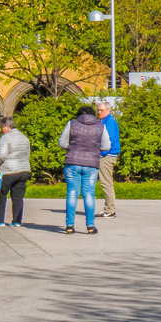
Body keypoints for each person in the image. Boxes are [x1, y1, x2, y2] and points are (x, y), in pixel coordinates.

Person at [58, 105, 105, 235]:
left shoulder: (71, 124)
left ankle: (69, 226)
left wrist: (72, 147)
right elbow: (106, 145)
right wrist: (95, 149)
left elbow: (62, 143)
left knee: (72, 193)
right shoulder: (101, 126)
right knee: (89, 194)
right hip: (91, 163)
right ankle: (90, 226)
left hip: (72, 162)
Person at [0, 116, 32, 227]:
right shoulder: (25, 138)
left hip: (8, 171)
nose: (1, 130)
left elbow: (1, 155)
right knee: (18, 197)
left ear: (7, 126)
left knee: (0, 195)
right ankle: (16, 221)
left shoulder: (6, 138)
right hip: (23, 170)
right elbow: (27, 154)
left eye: (2, 127)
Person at [95, 100, 120, 220]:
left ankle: (110, 210)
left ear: (108, 110)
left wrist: (101, 154)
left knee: (106, 183)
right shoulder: (104, 121)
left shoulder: (109, 122)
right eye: (98, 110)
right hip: (107, 155)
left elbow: (108, 140)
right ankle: (107, 209)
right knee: (105, 182)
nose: (99, 112)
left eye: (101, 110)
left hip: (107, 155)